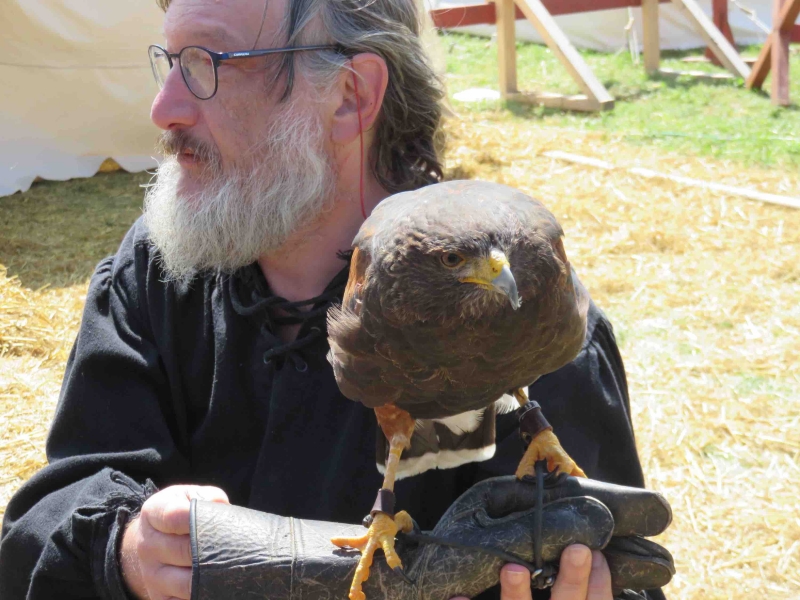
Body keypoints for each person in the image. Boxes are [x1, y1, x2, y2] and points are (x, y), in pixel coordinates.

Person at [0, 1, 655, 599]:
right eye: (170, 63)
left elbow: (615, 564)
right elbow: (45, 522)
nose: (163, 107)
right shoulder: (157, 273)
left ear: (350, 94)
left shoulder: (516, 313)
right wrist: (124, 553)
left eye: (208, 65)